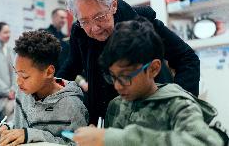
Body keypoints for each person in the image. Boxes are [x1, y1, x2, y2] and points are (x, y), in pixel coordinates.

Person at [57, 0, 200, 124]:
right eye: (84, 21)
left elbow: (187, 58)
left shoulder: (143, 23)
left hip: (148, 113)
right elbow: (72, 65)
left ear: (113, 5)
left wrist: (178, 104)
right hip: (103, 114)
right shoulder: (79, 32)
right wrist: (51, 86)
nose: (94, 28)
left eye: (100, 17)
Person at [73, 19, 224, 146]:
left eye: (125, 77)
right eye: (112, 76)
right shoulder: (117, 105)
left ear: (153, 69)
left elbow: (208, 142)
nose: (118, 86)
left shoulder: (177, 106)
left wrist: (114, 138)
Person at [0, 30, 88, 146]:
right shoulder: (24, 91)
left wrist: (32, 135)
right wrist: (5, 127)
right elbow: (23, 126)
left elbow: (77, 144)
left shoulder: (71, 105)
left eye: (24, 76)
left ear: (48, 72)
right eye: (16, 73)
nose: (18, 82)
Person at [43, 8, 69, 73]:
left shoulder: (66, 38)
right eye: (62, 18)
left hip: (63, 74)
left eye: (65, 18)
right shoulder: (43, 34)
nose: (64, 20)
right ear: (54, 18)